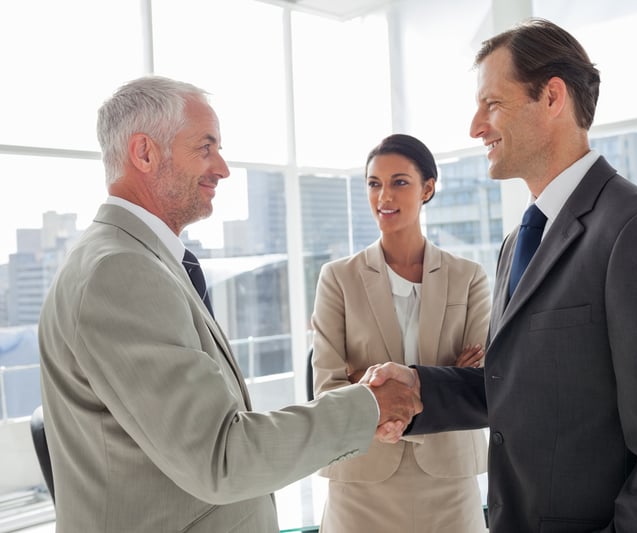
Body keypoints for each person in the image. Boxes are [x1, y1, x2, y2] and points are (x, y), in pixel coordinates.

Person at [366, 18, 637, 532]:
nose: (475, 127)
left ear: (553, 97)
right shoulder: (519, 241)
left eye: (491, 104)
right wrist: (419, 387)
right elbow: (516, 387)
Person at [37, 75, 421, 533]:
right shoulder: (118, 272)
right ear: (144, 153)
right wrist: (370, 406)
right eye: (205, 147)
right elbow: (222, 457)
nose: (222, 168)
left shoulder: (135, 260)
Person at [311, 133, 490, 532]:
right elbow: (327, 386)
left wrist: (364, 378)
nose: (384, 196)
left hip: (449, 477)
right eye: (374, 184)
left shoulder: (468, 277)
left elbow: (481, 381)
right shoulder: (337, 278)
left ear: (428, 188)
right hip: (361, 476)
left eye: (399, 182)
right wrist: (443, 376)